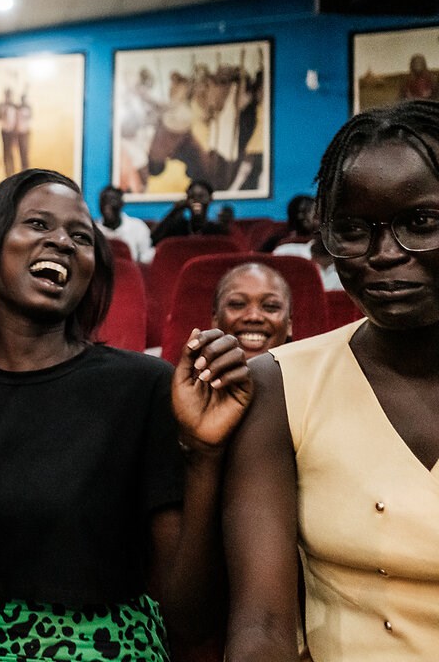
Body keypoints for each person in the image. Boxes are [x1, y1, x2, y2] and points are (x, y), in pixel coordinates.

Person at [0, 169, 252, 661]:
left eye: (80, 235)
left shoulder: (145, 386)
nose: (62, 241)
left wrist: (205, 456)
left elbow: (190, 618)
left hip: (119, 648)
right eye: (38, 224)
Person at [223, 100, 439, 661]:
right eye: (352, 230)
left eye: (422, 223)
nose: (385, 255)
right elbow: (262, 625)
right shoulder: (279, 385)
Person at [212, 262, 291, 359]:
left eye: (270, 306)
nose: (254, 316)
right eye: (238, 304)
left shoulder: (312, 374)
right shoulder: (193, 372)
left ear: (289, 324)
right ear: (215, 320)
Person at [151, 179, 230, 245]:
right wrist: (175, 211)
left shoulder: (215, 229)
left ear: (210, 199)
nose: (196, 201)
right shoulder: (180, 227)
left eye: (201, 196)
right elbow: (154, 239)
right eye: (192, 197)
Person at [97, 185, 154, 263]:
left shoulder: (138, 227)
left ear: (121, 204)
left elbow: (146, 257)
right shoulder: (95, 230)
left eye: (112, 201)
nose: (107, 207)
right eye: (103, 202)